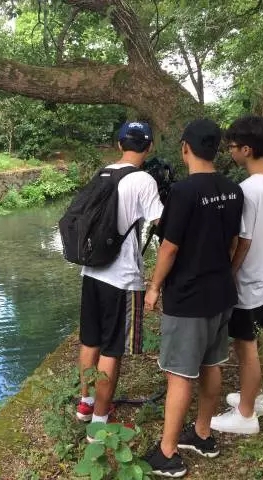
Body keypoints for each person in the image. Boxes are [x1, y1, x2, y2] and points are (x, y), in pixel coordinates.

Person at [143, 118, 243, 477]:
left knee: (180, 374)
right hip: (221, 292)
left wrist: (154, 287)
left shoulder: (184, 192)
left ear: (185, 147)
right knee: (212, 364)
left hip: (188, 297)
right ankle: (202, 434)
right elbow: (233, 242)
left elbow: (169, 248)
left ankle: (167, 452)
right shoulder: (234, 190)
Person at [76, 121, 163, 441]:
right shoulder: (144, 180)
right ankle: (100, 422)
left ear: (119, 144)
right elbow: (161, 222)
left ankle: (85, 403)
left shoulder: (102, 174)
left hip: (91, 271)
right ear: (149, 147)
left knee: (90, 341)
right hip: (122, 278)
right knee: (112, 349)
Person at [210, 115, 263, 434]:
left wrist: (229, 273)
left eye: (232, 146)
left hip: (250, 279)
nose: (229, 151)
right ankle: (255, 398)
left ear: (246, 149)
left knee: (246, 347)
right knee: (261, 335)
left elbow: (242, 241)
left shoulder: (248, 190)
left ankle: (245, 416)